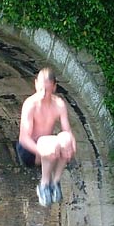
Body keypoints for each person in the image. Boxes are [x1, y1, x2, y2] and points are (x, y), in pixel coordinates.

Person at [16, 67, 77, 207]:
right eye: (41, 89)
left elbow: (67, 130)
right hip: (29, 150)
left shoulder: (59, 104)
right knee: (48, 142)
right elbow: (23, 138)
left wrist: (71, 145)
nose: (43, 94)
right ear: (36, 84)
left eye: (47, 90)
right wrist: (40, 151)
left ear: (54, 87)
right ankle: (44, 184)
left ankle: (55, 182)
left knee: (66, 138)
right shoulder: (30, 104)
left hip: (50, 149)